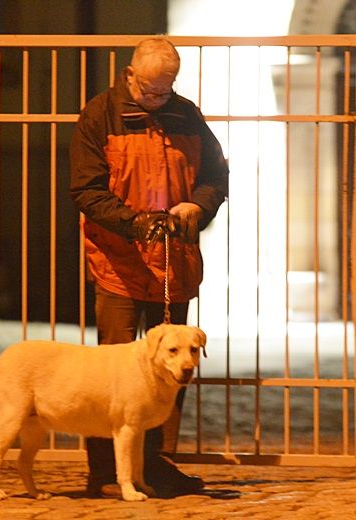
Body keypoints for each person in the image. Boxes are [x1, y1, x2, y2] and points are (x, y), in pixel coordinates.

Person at [69, 38, 229, 498]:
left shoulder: (186, 115)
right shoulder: (100, 115)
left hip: (172, 264)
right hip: (117, 261)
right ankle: (104, 470)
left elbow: (216, 177)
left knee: (169, 373)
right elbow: (85, 189)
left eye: (167, 90)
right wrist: (133, 223)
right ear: (130, 75)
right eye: (152, 91)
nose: (160, 99)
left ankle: (155, 465)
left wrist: (197, 207)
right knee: (110, 376)